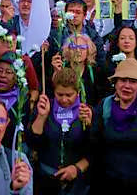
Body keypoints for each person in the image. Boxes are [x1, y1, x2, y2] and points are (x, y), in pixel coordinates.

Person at [89, 58, 137, 194]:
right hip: (108, 182)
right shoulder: (104, 106)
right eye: (123, 80)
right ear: (115, 83)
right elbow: (94, 144)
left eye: (132, 81)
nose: (127, 86)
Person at [27, 67, 92, 195]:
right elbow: (32, 143)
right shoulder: (45, 107)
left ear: (78, 92)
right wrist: (41, 117)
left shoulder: (86, 111)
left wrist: (77, 169)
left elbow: (95, 150)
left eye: (69, 95)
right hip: (46, 179)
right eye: (59, 94)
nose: (64, 99)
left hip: (77, 184)